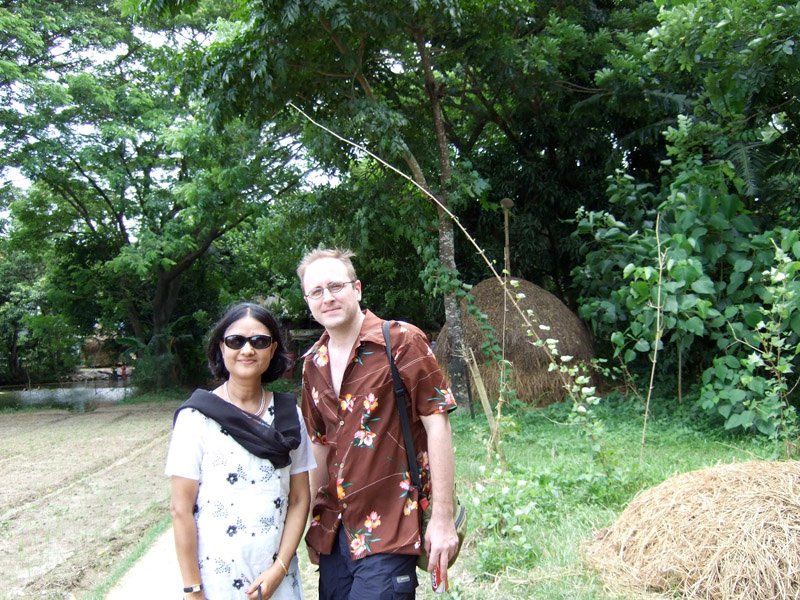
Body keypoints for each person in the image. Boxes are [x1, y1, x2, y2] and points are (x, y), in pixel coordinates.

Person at [296, 248, 459, 599]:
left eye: (335, 286)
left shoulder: (400, 341)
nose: (328, 297)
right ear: (307, 301)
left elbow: (437, 425)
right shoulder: (312, 363)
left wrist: (443, 518)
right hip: (336, 533)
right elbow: (319, 447)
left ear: (357, 288)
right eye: (316, 291)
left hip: (391, 524)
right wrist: (312, 521)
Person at [165, 302, 315, 600]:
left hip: (277, 579)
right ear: (221, 347)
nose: (248, 350)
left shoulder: (289, 415)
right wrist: (193, 590)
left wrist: (280, 568)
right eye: (236, 341)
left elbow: (299, 499)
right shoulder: (196, 417)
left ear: (272, 350)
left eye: (259, 341)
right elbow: (180, 509)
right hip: (214, 580)